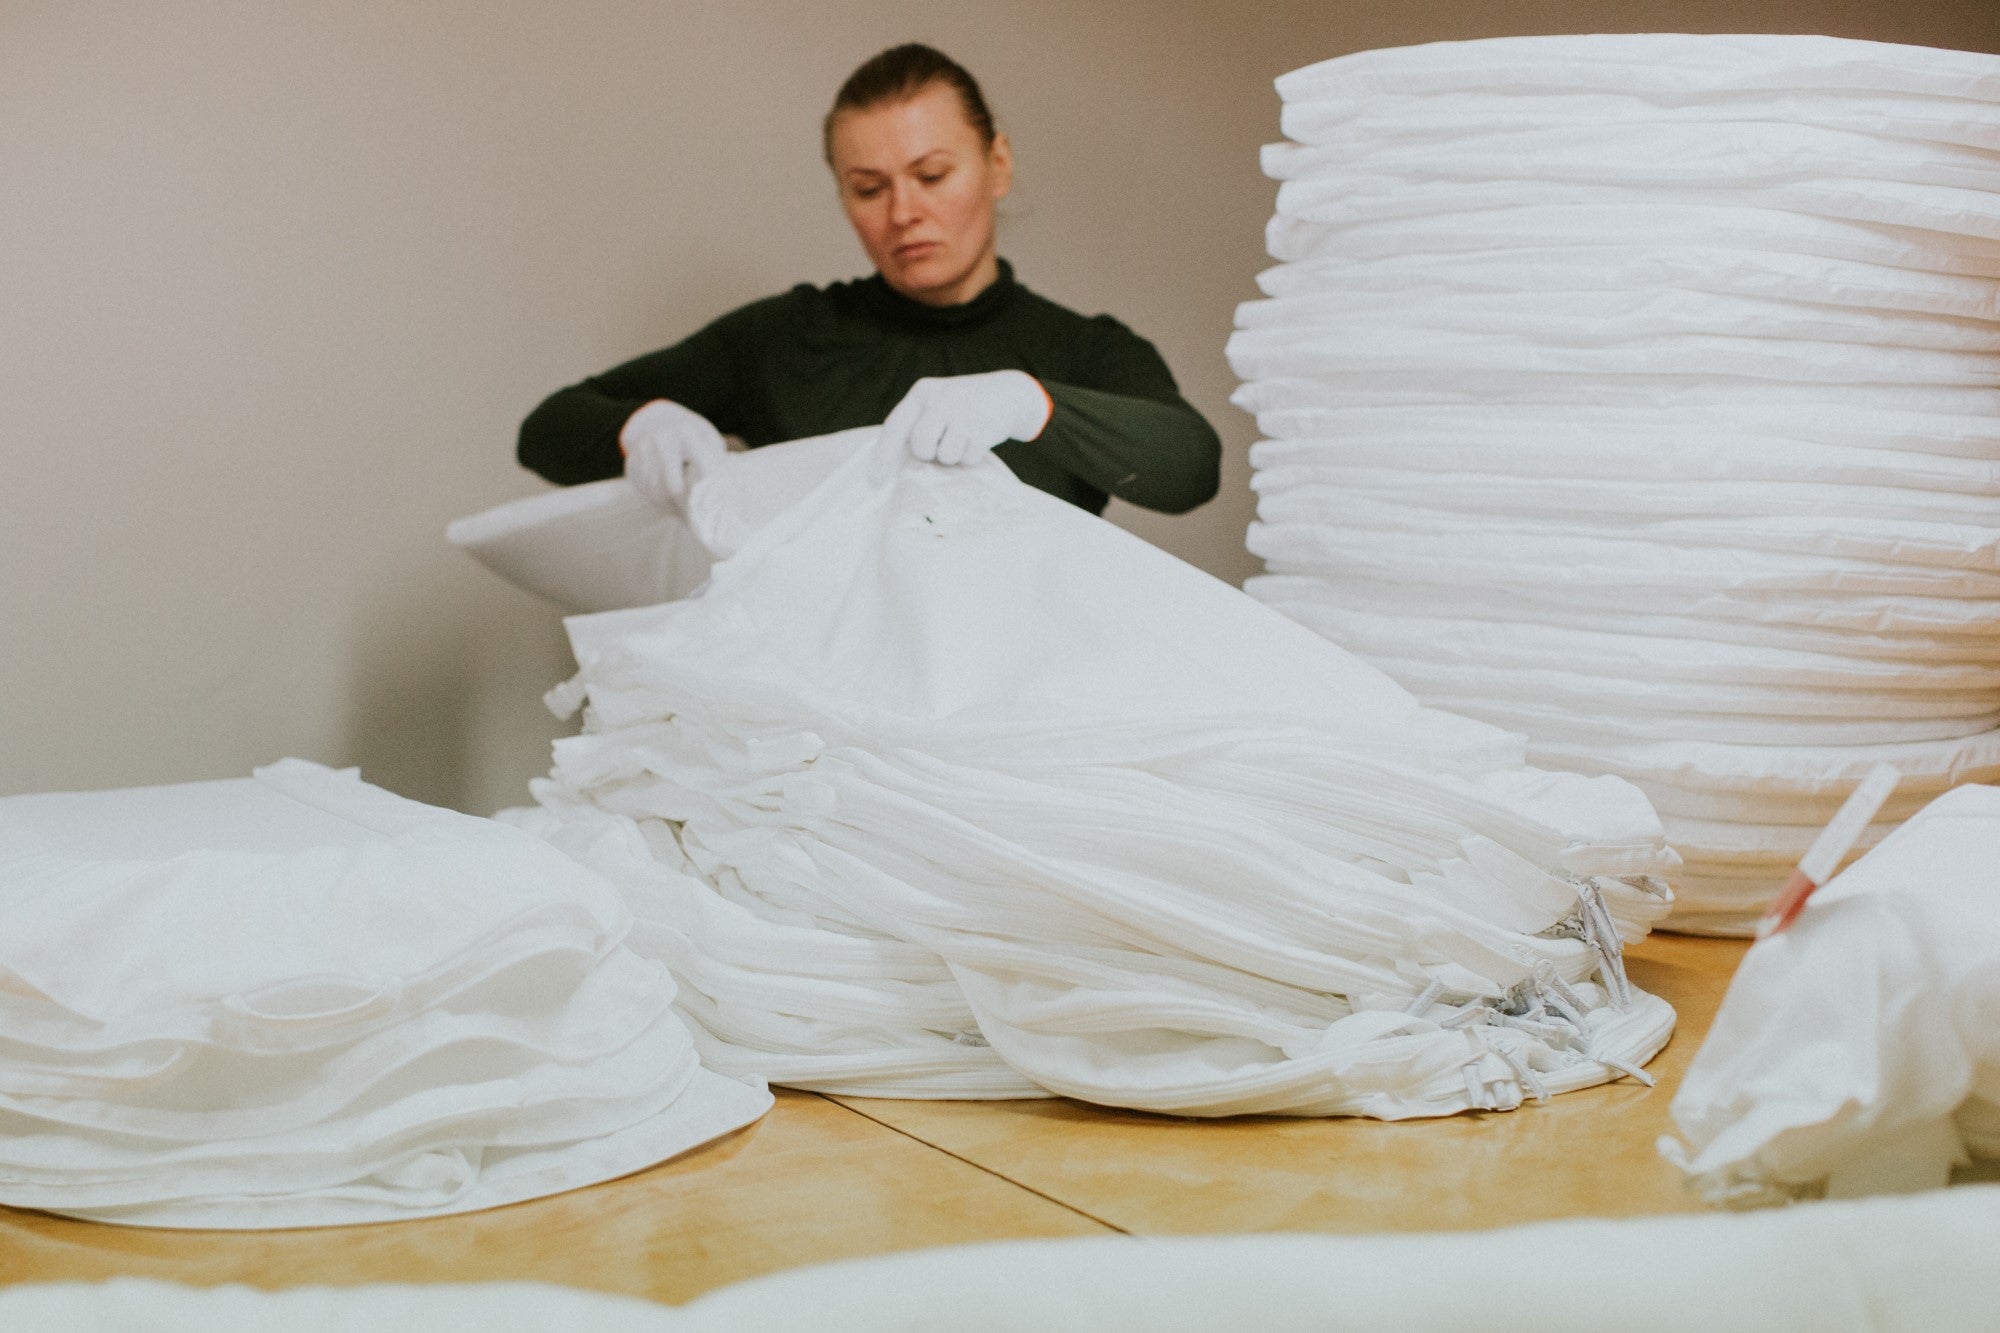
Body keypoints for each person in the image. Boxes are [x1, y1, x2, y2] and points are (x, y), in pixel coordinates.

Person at [517, 43, 1221, 517]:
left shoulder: (1082, 350)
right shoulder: (784, 339)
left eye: (932, 175)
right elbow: (545, 429)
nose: (904, 212)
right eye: (868, 187)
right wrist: (642, 425)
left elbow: (1192, 467)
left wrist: (1029, 405)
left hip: (1017, 706)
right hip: (816, 712)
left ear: (997, 165)